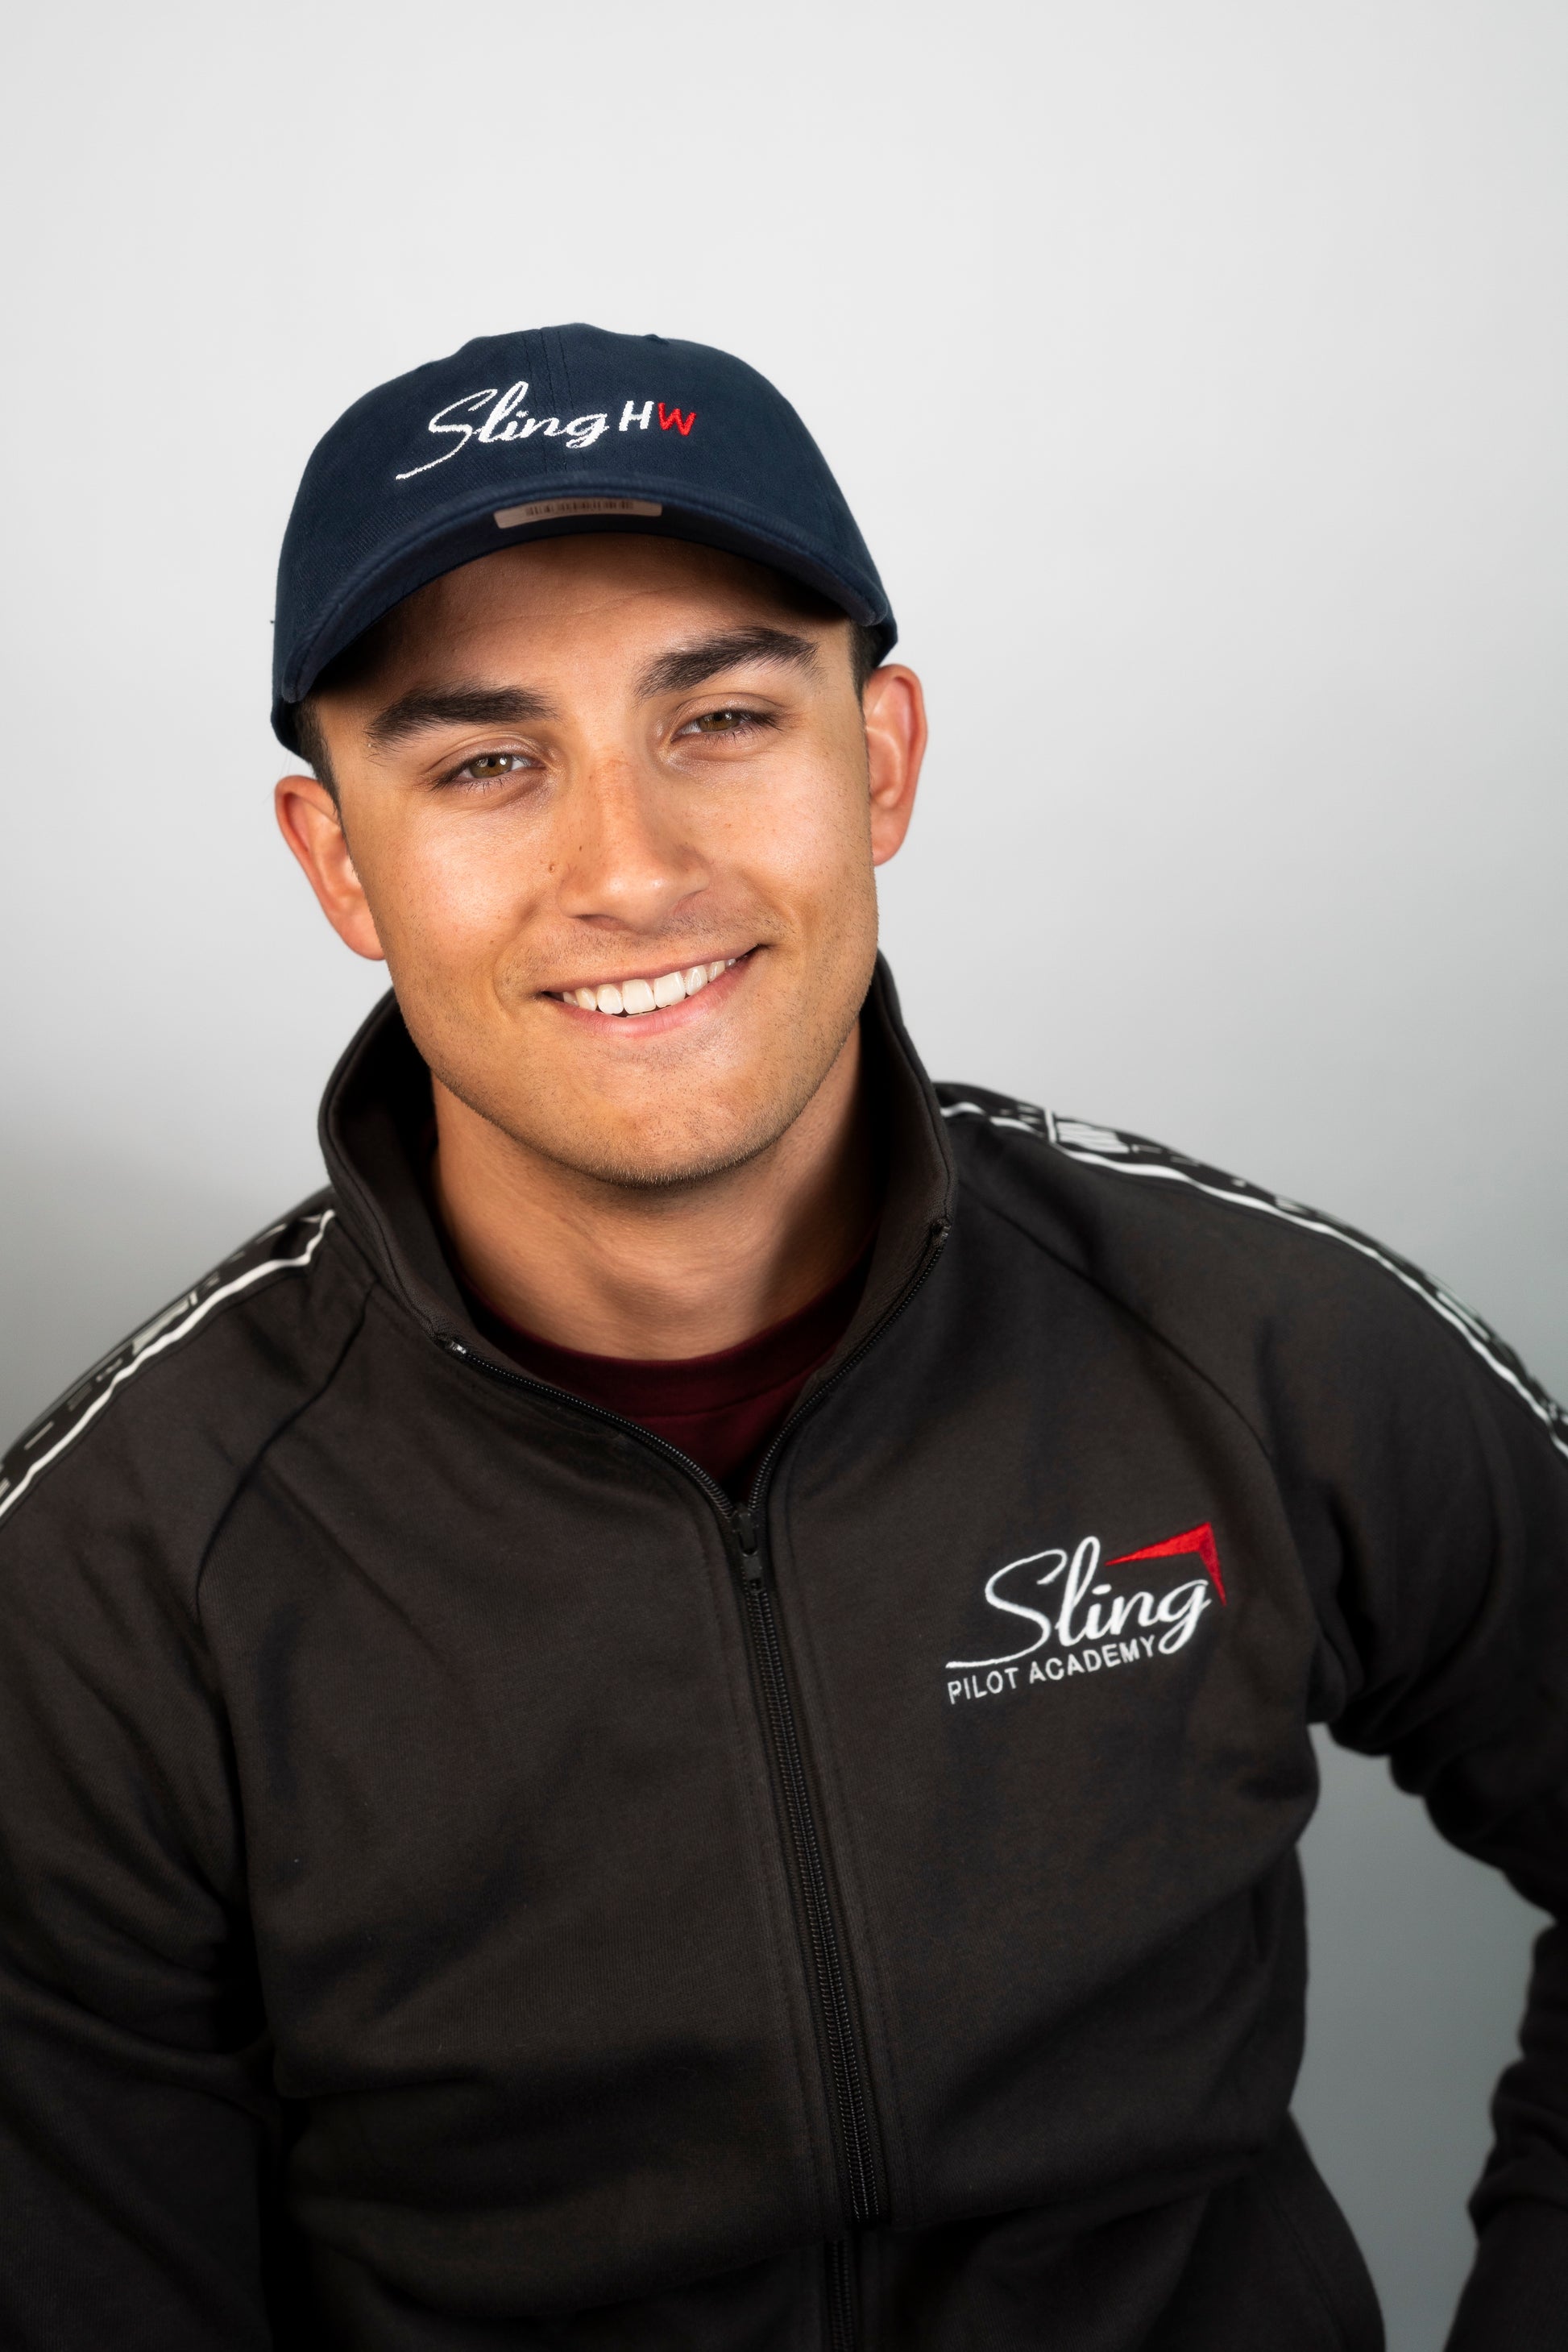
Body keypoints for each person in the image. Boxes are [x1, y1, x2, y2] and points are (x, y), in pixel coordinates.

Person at [0, 324, 1563, 2352]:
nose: (631, 868)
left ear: (880, 757)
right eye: (483, 762)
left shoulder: (1250, 1342)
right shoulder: (114, 1573)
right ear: (338, 862)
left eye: (723, 716)